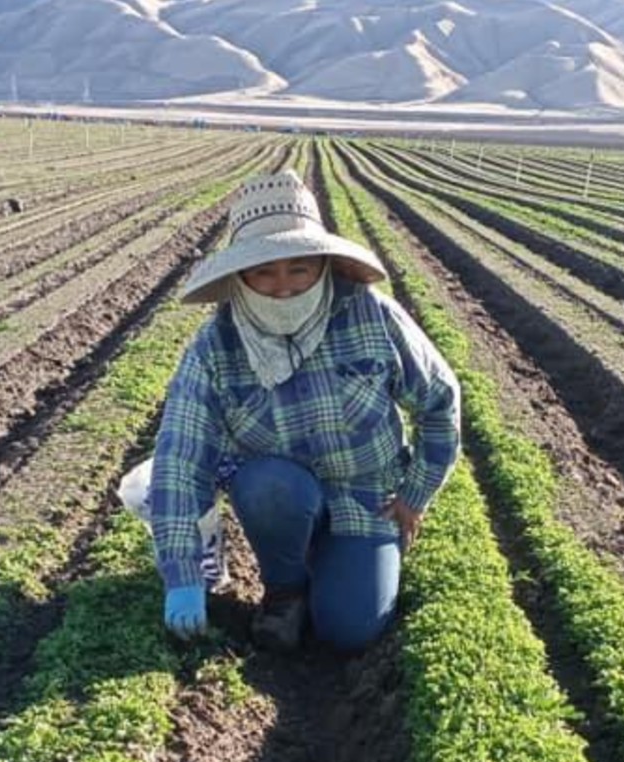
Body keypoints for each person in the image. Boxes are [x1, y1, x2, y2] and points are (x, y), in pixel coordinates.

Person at [150, 169, 460, 652]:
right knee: (269, 485)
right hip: (281, 495)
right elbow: (180, 459)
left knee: (349, 631)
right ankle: (285, 588)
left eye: (298, 268)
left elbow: (440, 400)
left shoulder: (369, 314)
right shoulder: (216, 347)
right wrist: (182, 574)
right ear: (240, 277)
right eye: (264, 271)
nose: (283, 286)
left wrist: (415, 494)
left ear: (322, 265)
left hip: (365, 496)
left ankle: (341, 559)